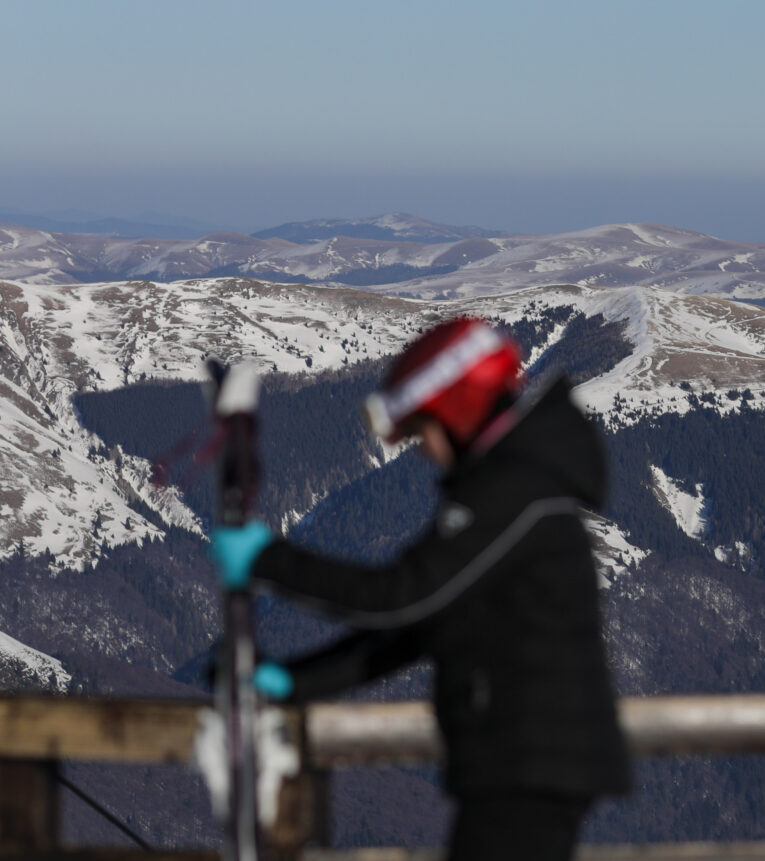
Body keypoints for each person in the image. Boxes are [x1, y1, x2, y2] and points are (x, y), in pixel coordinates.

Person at [210, 316, 631, 860]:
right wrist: (296, 681)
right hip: (526, 761)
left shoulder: (513, 492)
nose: (422, 450)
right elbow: (422, 626)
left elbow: (402, 595)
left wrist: (268, 560)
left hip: (529, 764)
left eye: (422, 430)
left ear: (458, 412)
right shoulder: (516, 485)